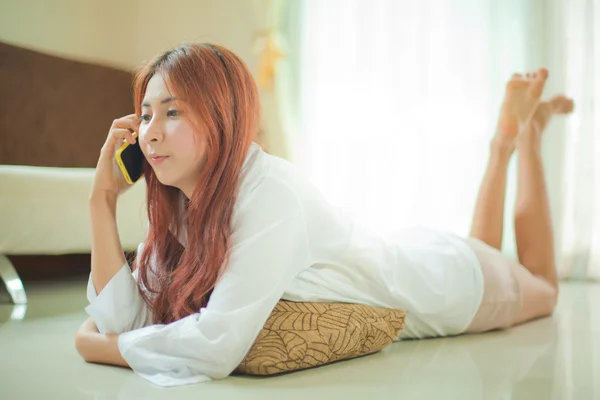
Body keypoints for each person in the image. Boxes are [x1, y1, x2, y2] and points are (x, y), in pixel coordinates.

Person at [74, 43, 574, 387]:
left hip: (451, 286)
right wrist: (102, 200)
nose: (150, 132)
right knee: (481, 245)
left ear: (222, 118)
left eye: (173, 111)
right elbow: (130, 320)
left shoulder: (269, 194)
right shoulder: (182, 204)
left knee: (543, 286)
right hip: (418, 254)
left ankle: (521, 138)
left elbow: (214, 346)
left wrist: (96, 347)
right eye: (144, 115)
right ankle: (503, 144)